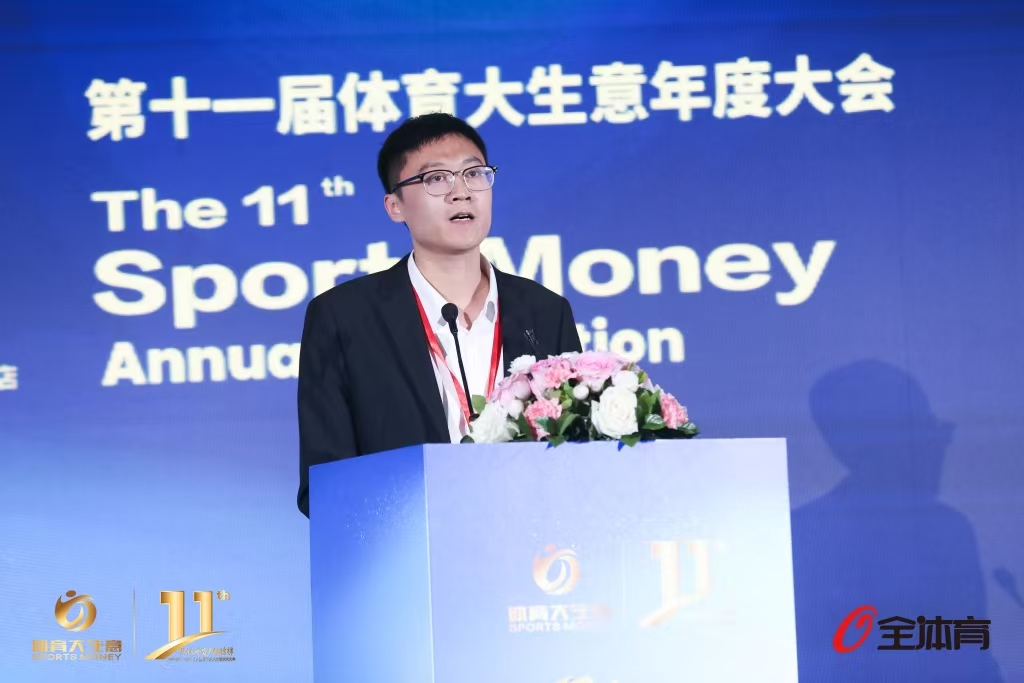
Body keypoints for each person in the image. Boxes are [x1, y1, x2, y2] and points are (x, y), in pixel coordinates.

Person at [296, 113, 582, 516]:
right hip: (404, 544)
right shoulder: (343, 318)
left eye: (474, 173)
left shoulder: (546, 311)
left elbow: (578, 457)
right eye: (436, 178)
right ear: (395, 206)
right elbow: (325, 484)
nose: (461, 192)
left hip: (533, 544)